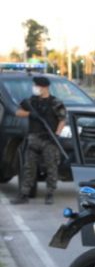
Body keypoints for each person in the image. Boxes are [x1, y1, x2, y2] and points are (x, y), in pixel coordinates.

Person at [13, 75, 66, 205]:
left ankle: (49, 194)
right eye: (35, 86)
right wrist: (31, 114)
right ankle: (24, 194)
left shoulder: (55, 102)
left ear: (45, 88)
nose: (35, 88)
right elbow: (18, 112)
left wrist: (57, 135)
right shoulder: (31, 101)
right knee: (29, 168)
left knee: (51, 167)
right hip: (33, 139)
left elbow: (62, 120)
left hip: (49, 139)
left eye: (37, 86)